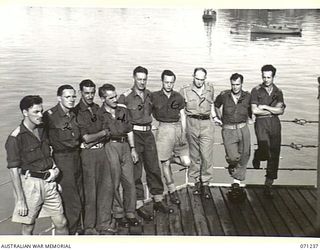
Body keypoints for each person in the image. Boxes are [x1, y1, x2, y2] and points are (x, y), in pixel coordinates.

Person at [5, 95, 68, 235]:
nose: (41, 115)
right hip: (30, 185)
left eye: (41, 111)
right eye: (36, 112)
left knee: (61, 222)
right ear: (25, 112)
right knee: (28, 226)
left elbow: (49, 154)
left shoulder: (42, 130)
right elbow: (13, 171)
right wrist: (20, 200)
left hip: (49, 182)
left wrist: (55, 172)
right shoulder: (15, 138)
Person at [118, 66, 173, 221]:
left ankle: (158, 200)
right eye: (139, 79)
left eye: (144, 79)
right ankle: (139, 204)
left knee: (154, 167)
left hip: (148, 134)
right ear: (134, 78)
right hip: (134, 135)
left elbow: (159, 111)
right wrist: (131, 146)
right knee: (136, 171)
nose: (142, 82)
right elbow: (122, 121)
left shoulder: (150, 95)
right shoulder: (125, 97)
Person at [98, 83, 140, 229]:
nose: (115, 99)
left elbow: (129, 130)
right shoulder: (99, 113)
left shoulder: (123, 110)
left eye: (115, 96)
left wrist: (133, 148)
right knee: (114, 182)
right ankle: (119, 214)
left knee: (129, 181)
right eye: (111, 97)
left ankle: (130, 213)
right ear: (103, 99)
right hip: (110, 146)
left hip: (125, 146)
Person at [75, 79, 114, 235]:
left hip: (101, 152)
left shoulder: (98, 108)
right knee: (90, 191)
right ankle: (89, 227)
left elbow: (108, 130)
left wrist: (98, 136)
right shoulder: (77, 111)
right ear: (80, 93)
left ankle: (103, 223)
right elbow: (86, 138)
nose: (90, 96)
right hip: (88, 155)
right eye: (87, 93)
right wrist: (101, 135)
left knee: (106, 188)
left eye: (92, 93)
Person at [43, 85, 83, 234]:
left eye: (73, 96)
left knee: (80, 194)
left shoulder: (73, 114)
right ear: (59, 98)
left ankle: (78, 229)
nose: (71, 100)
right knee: (70, 199)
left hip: (77, 157)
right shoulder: (50, 116)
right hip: (62, 159)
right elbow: (43, 141)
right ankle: (71, 234)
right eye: (67, 97)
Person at [180, 67, 221, 199]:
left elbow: (212, 105)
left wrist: (215, 117)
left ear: (205, 78)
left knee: (206, 155)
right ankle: (197, 181)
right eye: (197, 79)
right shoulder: (185, 90)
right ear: (193, 76)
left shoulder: (210, 88)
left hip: (206, 124)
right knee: (194, 155)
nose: (199, 82)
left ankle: (206, 184)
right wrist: (183, 129)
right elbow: (182, 112)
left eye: (202, 79)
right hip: (191, 123)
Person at [151, 70, 191, 205]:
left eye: (171, 82)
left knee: (187, 162)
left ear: (174, 82)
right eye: (166, 82)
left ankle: (168, 158)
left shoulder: (178, 97)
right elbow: (147, 112)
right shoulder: (154, 96)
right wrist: (153, 125)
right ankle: (172, 190)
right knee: (165, 164)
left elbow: (183, 116)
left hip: (178, 128)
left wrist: (184, 133)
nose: (168, 85)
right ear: (162, 81)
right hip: (163, 129)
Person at [214, 73, 251, 202]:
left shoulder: (248, 96)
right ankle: (233, 169)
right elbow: (216, 105)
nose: (235, 87)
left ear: (242, 84)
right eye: (233, 84)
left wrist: (251, 118)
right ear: (231, 84)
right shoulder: (224, 95)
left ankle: (236, 183)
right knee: (233, 157)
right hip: (228, 129)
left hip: (243, 128)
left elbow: (252, 109)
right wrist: (219, 118)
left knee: (245, 154)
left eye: (238, 84)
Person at [251, 64, 286, 198]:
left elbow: (281, 110)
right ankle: (259, 154)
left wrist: (264, 106)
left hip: (275, 123)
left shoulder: (278, 91)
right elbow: (254, 110)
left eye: (269, 77)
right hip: (261, 123)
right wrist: (272, 109)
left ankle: (268, 184)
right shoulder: (256, 90)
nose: (266, 80)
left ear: (273, 77)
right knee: (265, 150)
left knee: (275, 153)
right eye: (264, 77)